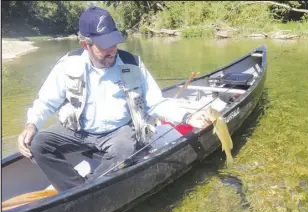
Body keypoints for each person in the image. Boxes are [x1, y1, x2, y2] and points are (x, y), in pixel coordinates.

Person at [17, 6, 210, 193]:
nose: (112, 51)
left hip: (118, 133)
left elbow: (155, 102)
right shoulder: (68, 65)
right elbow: (46, 101)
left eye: (114, 43)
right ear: (85, 44)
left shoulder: (132, 64)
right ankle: (77, 190)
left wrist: (187, 116)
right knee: (38, 143)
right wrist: (32, 124)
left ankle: (87, 190)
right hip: (79, 131)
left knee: (125, 146)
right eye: (104, 46)